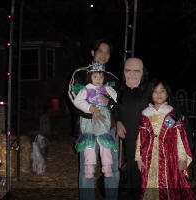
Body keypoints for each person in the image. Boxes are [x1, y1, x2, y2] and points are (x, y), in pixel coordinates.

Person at [67, 39, 119, 200]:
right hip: (87, 128)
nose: (103, 55)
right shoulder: (80, 73)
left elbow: (118, 102)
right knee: (87, 169)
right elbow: (73, 96)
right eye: (100, 51)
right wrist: (91, 111)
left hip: (109, 128)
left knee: (112, 167)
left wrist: (109, 104)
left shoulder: (112, 78)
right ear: (92, 52)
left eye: (107, 52)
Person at [135, 78, 196, 200]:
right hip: (150, 160)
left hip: (170, 160)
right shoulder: (145, 115)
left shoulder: (172, 114)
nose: (158, 94)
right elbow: (140, 138)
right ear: (150, 94)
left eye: (162, 91)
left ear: (167, 93)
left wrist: (182, 158)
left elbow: (180, 138)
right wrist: (138, 157)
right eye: (155, 91)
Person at [73, 62, 118, 179]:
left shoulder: (106, 88)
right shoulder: (86, 89)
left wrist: (109, 98)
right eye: (95, 76)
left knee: (105, 143)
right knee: (89, 143)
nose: (98, 79)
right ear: (90, 77)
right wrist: (89, 108)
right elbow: (77, 102)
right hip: (89, 120)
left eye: (101, 77)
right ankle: (89, 166)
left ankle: (107, 166)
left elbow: (116, 98)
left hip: (103, 120)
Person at [115, 57, 149, 199]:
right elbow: (114, 109)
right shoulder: (119, 91)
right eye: (128, 70)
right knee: (133, 171)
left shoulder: (150, 89)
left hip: (149, 140)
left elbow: (171, 104)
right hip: (129, 139)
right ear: (123, 72)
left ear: (143, 72)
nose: (132, 74)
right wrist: (117, 121)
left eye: (137, 71)